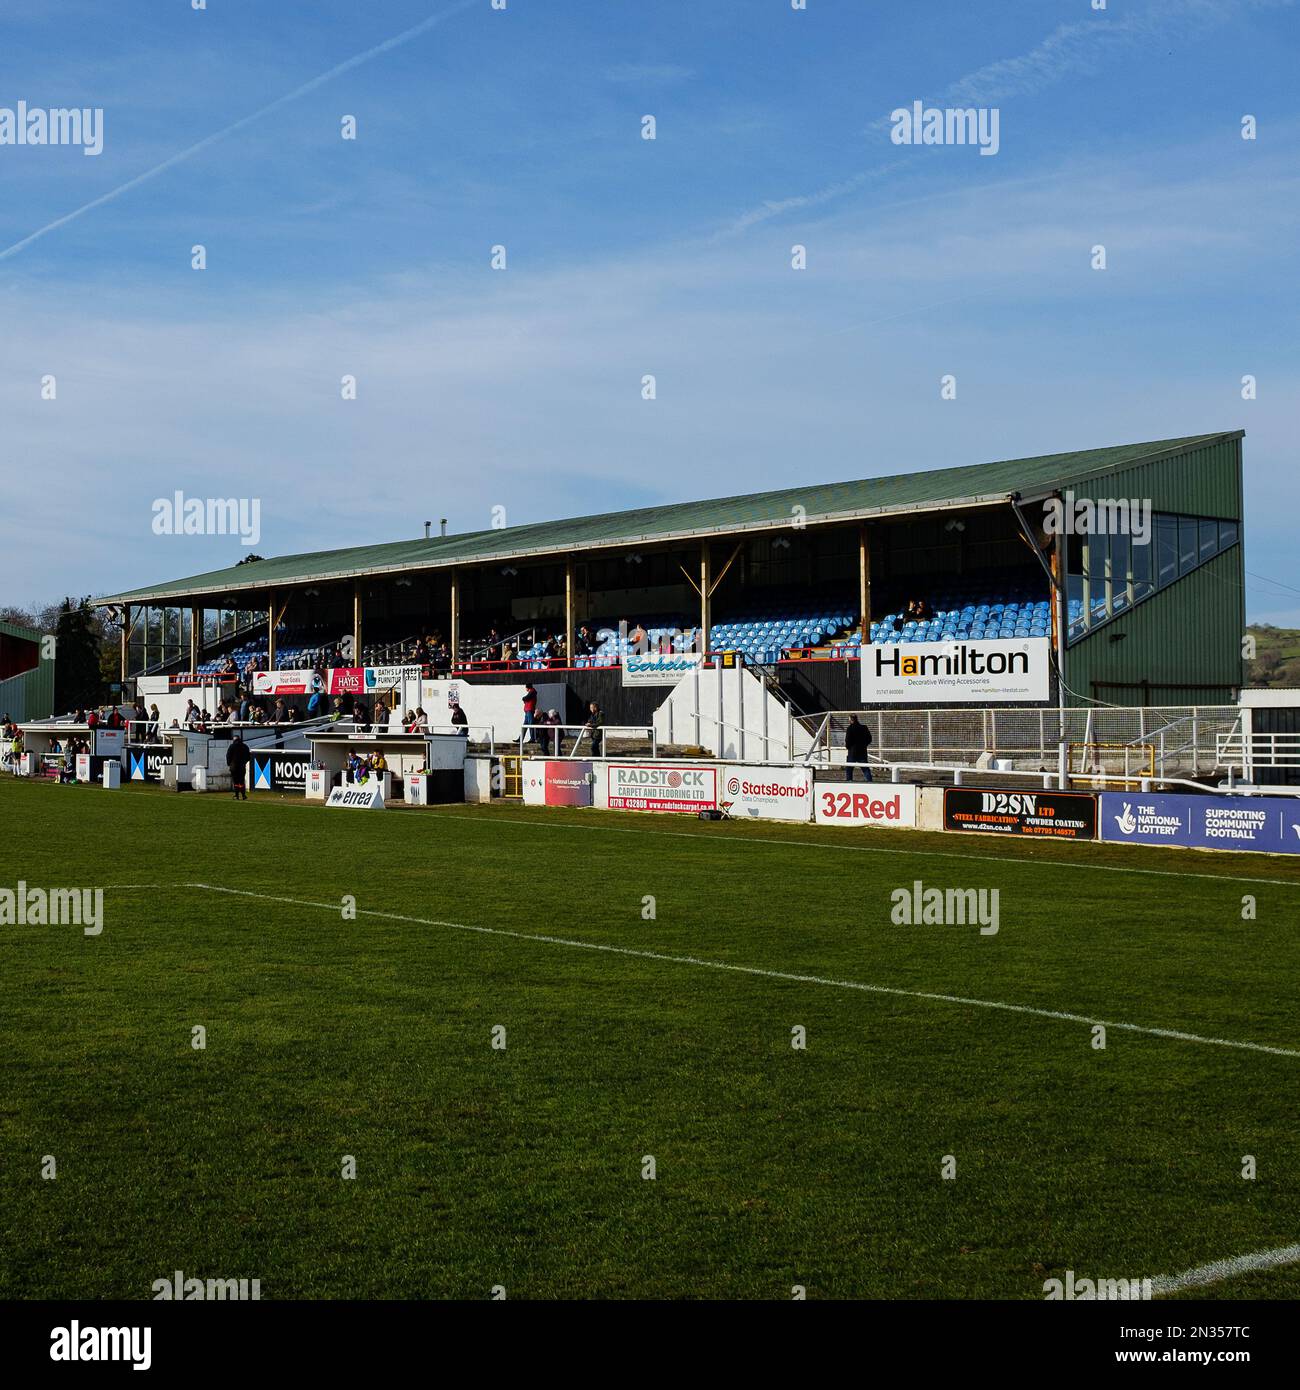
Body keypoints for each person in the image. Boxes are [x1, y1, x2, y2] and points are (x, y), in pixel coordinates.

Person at [844, 715, 873, 782]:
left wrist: (848, 747)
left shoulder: (850, 728)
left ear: (851, 720)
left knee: (849, 769)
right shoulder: (864, 728)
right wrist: (864, 745)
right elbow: (869, 739)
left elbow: (847, 740)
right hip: (862, 752)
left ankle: (849, 782)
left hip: (852, 752)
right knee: (865, 769)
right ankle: (870, 782)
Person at [226, 731, 251, 800]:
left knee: (235, 781)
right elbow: (248, 757)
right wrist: (244, 762)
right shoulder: (245, 746)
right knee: (241, 781)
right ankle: (243, 795)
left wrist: (229, 764)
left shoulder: (232, 746)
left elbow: (228, 756)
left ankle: (236, 795)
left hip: (234, 766)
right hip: (242, 766)